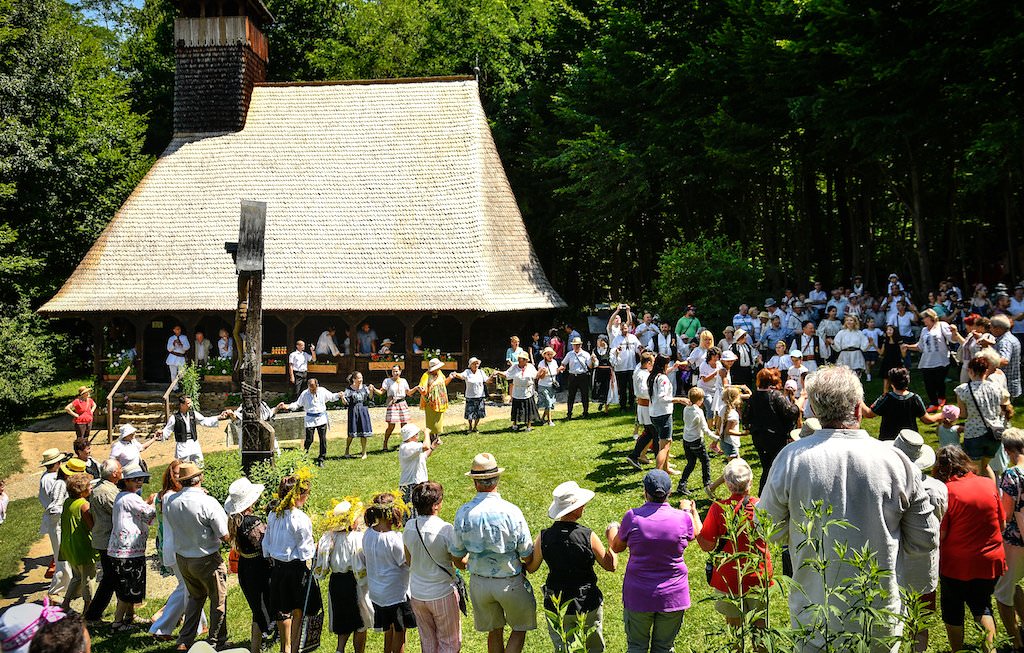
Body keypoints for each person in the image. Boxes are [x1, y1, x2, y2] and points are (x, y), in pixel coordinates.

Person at [760, 366, 939, 650]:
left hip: (815, 617)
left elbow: (765, 527)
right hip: (878, 617)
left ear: (815, 411)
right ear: (858, 409)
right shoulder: (897, 461)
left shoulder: (792, 458)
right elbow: (925, 539)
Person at [607, 469, 702, 653]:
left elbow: (617, 547)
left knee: (637, 647)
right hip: (673, 596)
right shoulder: (683, 518)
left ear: (645, 492)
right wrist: (690, 511)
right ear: (669, 493)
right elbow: (695, 532)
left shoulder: (633, 517)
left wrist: (611, 530)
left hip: (639, 595)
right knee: (664, 647)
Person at [450, 453, 536, 653]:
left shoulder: (463, 512)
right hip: (509, 580)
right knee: (519, 628)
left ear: (475, 482)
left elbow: (456, 554)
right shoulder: (511, 511)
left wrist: (466, 565)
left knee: (494, 631)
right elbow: (526, 552)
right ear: (497, 479)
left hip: (479, 582)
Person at [526, 481, 617, 653]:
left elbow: (531, 568)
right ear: (574, 509)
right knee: (593, 647)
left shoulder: (543, 536)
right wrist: (613, 542)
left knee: (563, 648)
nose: (584, 506)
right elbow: (610, 565)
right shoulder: (588, 536)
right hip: (587, 602)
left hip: (557, 603)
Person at [933, 445, 1006, 652]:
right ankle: (990, 650)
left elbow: (942, 535)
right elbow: (1001, 524)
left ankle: (958, 650)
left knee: (953, 609)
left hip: (957, 564)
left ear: (940, 468)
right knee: (982, 605)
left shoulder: (946, 491)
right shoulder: (988, 483)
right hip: (990, 559)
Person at [697, 459, 773, 635]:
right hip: (758, 574)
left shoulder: (719, 508)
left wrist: (694, 517)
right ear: (751, 482)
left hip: (730, 577)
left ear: (728, 486)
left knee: (735, 633)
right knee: (761, 630)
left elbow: (707, 545)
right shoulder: (762, 506)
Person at [163, 462, 231, 652]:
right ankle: (217, 641)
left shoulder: (171, 501)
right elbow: (224, 533)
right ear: (199, 479)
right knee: (218, 600)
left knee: (195, 598)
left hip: (183, 558)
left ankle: (184, 640)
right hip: (206, 558)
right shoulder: (207, 502)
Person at [149, 460, 208, 642]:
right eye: (176, 473)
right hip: (176, 549)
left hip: (179, 547)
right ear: (170, 475)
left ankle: (198, 625)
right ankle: (162, 627)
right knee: (187, 588)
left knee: (190, 587)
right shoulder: (168, 497)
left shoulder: (172, 496)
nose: (180, 477)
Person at [404, 482, 464, 653]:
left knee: (428, 642)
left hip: (417, 593)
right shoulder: (445, 529)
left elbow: (409, 561)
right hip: (442, 593)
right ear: (436, 505)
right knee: (449, 643)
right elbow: (458, 561)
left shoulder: (409, 527)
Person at [262, 472, 320, 653]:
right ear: (297, 496)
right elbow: (305, 551)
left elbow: (267, 542)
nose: (307, 497)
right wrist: (317, 549)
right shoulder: (300, 519)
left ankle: (285, 646)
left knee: (282, 607)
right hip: (295, 569)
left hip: (277, 568)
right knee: (297, 609)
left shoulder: (274, 514)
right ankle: (293, 646)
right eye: (305, 494)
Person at [314, 498, 372, 653]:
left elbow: (321, 562)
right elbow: (364, 560)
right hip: (354, 582)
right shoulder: (357, 538)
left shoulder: (328, 538)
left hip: (336, 582)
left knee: (343, 620)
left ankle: (340, 649)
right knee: (360, 623)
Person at [362, 492, 416, 653]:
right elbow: (406, 562)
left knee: (388, 629)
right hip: (396, 594)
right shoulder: (394, 539)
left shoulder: (368, 534)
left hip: (377, 593)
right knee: (400, 632)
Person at [225, 477, 273, 653]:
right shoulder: (252, 522)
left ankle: (255, 647)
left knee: (256, 607)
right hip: (258, 567)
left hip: (246, 565)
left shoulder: (235, 521)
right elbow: (265, 541)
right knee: (265, 603)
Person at [107, 463, 156, 633]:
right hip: (128, 551)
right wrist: (156, 502)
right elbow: (149, 515)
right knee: (127, 589)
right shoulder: (131, 498)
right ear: (126, 481)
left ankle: (129, 617)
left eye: (141, 479)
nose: (139, 482)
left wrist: (146, 502)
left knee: (128, 586)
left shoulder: (122, 496)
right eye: (135, 479)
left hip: (119, 550)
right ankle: (117, 623)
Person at [954, 356, 1013, 480]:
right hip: (995, 434)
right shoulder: (996, 387)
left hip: (974, 434)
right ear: (986, 371)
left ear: (970, 371)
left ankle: (981, 497)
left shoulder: (963, 390)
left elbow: (963, 414)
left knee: (975, 470)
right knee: (985, 466)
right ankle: (994, 494)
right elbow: (1005, 405)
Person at [745, 367, 800, 494]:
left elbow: (746, 417)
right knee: (777, 467)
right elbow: (791, 412)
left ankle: (762, 494)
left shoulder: (754, 397)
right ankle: (774, 495)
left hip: (758, 437)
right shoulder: (775, 396)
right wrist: (797, 404)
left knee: (766, 466)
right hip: (775, 438)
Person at [995, 428, 1024, 653]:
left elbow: (1006, 514)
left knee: (1003, 592)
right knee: (1014, 584)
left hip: (1016, 541)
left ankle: (1016, 642)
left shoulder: (1012, 475)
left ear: (1006, 450)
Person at [83, 460, 121, 622]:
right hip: (107, 540)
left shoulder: (100, 486)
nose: (121, 471)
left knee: (112, 578)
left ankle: (122, 611)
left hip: (103, 538)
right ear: (114, 474)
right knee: (110, 579)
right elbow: (120, 510)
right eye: (119, 469)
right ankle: (93, 614)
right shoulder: (106, 491)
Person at [861, 367, 941, 441]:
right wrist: (941, 415)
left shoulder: (886, 398)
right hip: (909, 441)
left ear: (891, 383)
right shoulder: (915, 398)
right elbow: (927, 420)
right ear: (908, 381)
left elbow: (869, 414)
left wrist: (858, 399)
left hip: (888, 442)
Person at [276, 377, 341, 465]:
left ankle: (321, 458)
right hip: (310, 419)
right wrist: (288, 406)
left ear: (317, 386)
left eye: (314, 388)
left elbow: (332, 397)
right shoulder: (305, 394)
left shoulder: (322, 391)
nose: (312, 390)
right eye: (311, 388)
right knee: (309, 439)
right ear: (308, 387)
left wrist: (338, 395)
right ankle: (304, 456)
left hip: (321, 418)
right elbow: (297, 404)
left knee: (323, 439)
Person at [902, 308, 956, 411]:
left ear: (930, 317)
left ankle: (941, 398)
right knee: (929, 384)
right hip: (927, 361)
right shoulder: (924, 330)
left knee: (939, 382)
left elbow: (952, 339)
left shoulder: (942, 325)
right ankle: (933, 403)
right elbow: (920, 347)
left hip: (941, 360)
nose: (923, 320)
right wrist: (908, 347)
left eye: (924, 318)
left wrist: (954, 332)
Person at [59, 471, 95, 613]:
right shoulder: (83, 505)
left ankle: (66, 603)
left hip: (69, 545)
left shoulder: (68, 502)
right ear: (82, 491)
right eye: (89, 486)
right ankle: (88, 609)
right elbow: (92, 525)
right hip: (81, 546)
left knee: (77, 576)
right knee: (88, 577)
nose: (91, 488)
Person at [648, 355, 691, 473]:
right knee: (665, 446)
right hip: (663, 414)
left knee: (664, 442)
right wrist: (679, 399)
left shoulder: (652, 376)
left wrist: (673, 368)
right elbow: (663, 397)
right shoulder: (663, 379)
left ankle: (666, 468)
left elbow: (663, 374)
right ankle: (658, 473)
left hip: (654, 414)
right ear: (664, 365)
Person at [38, 448, 70, 599]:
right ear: (57, 463)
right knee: (61, 556)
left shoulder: (45, 477)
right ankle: (57, 588)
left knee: (62, 554)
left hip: (54, 518)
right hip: (57, 519)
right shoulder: (53, 480)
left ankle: (65, 585)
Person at [160, 395, 225, 463]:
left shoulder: (193, 414)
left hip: (194, 444)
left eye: (191, 402)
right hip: (182, 446)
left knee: (199, 464)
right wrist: (161, 433)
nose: (191, 405)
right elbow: (167, 429)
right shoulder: (174, 418)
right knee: (184, 468)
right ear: (182, 405)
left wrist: (219, 417)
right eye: (188, 403)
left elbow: (204, 420)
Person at [678, 387, 715, 496]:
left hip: (686, 440)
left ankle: (682, 484)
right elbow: (705, 429)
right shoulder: (698, 412)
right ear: (699, 400)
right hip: (696, 441)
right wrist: (716, 438)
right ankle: (707, 483)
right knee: (705, 461)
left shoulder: (686, 409)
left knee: (691, 462)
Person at [626, 352, 657, 470]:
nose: (653, 365)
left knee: (649, 433)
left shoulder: (638, 370)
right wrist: (655, 396)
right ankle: (660, 462)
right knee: (655, 434)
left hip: (642, 406)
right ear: (648, 363)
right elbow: (644, 391)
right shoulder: (644, 375)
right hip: (646, 406)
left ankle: (634, 455)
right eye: (652, 363)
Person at [399, 424, 441, 506]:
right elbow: (425, 446)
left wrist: (433, 446)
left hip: (418, 482)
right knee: (412, 513)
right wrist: (426, 433)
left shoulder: (413, 447)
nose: (418, 435)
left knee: (421, 510)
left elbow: (424, 456)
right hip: (411, 484)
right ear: (411, 436)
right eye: (416, 434)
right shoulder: (407, 447)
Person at [376, 365, 417, 449]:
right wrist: (373, 389)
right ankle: (385, 442)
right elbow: (381, 392)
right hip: (393, 404)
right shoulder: (387, 381)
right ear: (391, 372)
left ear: (400, 372)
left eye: (397, 371)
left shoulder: (403, 381)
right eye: (394, 371)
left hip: (402, 403)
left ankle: (406, 444)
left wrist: (416, 388)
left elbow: (408, 393)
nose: (395, 373)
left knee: (404, 426)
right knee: (391, 426)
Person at [559, 337, 595, 420]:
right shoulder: (570, 354)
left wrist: (592, 360)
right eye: (574, 345)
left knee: (584, 395)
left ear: (581, 345)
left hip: (583, 376)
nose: (576, 346)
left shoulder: (585, 354)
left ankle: (585, 412)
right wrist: (562, 368)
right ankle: (569, 413)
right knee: (571, 396)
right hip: (572, 376)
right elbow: (564, 363)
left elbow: (590, 366)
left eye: (578, 345)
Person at [418, 358, 454, 441]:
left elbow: (444, 383)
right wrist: (422, 390)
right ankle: (431, 437)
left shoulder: (440, 373)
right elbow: (423, 388)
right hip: (430, 401)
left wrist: (450, 378)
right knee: (431, 419)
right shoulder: (426, 375)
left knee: (439, 419)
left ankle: (437, 436)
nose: (438, 369)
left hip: (440, 401)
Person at [342, 373, 375, 461]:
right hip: (353, 411)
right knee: (351, 433)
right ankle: (347, 450)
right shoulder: (349, 389)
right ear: (354, 379)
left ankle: (364, 452)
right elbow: (346, 403)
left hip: (363, 410)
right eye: (359, 378)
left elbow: (369, 398)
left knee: (364, 433)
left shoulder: (365, 388)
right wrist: (342, 398)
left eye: (361, 378)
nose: (360, 380)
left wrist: (371, 391)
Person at [451, 358, 487, 433]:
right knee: (470, 413)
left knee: (478, 413)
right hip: (470, 396)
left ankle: (475, 427)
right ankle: (470, 427)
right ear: (470, 365)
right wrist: (455, 374)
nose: (476, 365)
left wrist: (493, 376)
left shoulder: (481, 372)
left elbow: (487, 380)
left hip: (480, 395)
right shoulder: (467, 372)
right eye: (474, 364)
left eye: (477, 363)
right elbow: (461, 376)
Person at [991, 314, 1022, 399]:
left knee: (1001, 412)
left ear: (998, 328)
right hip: (1010, 383)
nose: (990, 329)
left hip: (1004, 385)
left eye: (991, 327)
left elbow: (1004, 361)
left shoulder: (1005, 342)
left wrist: (986, 363)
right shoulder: (1011, 338)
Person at [611, 323, 641, 410]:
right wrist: (616, 350)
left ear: (628, 328)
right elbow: (612, 351)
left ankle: (631, 404)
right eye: (622, 329)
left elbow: (638, 347)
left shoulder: (633, 337)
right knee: (622, 387)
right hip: (621, 367)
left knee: (632, 387)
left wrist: (641, 351)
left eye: (625, 328)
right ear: (620, 329)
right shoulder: (617, 339)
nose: (624, 330)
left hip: (631, 366)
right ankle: (622, 405)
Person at [535, 348, 560, 427]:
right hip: (543, 386)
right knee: (548, 402)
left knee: (549, 403)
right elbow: (540, 377)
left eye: (551, 354)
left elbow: (556, 372)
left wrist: (560, 369)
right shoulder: (541, 364)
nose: (550, 356)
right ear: (544, 355)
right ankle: (549, 421)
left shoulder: (555, 362)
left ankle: (542, 418)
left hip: (551, 386)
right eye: (548, 354)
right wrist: (544, 373)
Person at [878, 324, 904, 392]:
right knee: (886, 385)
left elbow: (903, 355)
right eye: (887, 330)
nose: (888, 331)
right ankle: (885, 399)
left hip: (896, 363)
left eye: (890, 330)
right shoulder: (885, 341)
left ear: (894, 331)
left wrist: (904, 348)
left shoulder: (899, 341)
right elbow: (881, 352)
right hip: (887, 363)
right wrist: (873, 345)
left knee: (897, 384)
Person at [592, 335, 614, 412]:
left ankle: (606, 409)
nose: (598, 342)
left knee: (607, 389)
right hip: (599, 372)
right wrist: (594, 360)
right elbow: (596, 364)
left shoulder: (609, 350)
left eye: (599, 340)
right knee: (599, 388)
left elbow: (612, 362)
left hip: (607, 372)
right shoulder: (595, 350)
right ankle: (601, 402)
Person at [861, 316, 883, 381]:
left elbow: (882, 334)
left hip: (874, 349)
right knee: (867, 362)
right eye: (870, 322)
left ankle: (867, 370)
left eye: (873, 322)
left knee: (873, 363)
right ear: (867, 323)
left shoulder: (877, 330)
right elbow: (861, 338)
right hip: (867, 349)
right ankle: (868, 375)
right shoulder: (865, 331)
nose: (872, 323)